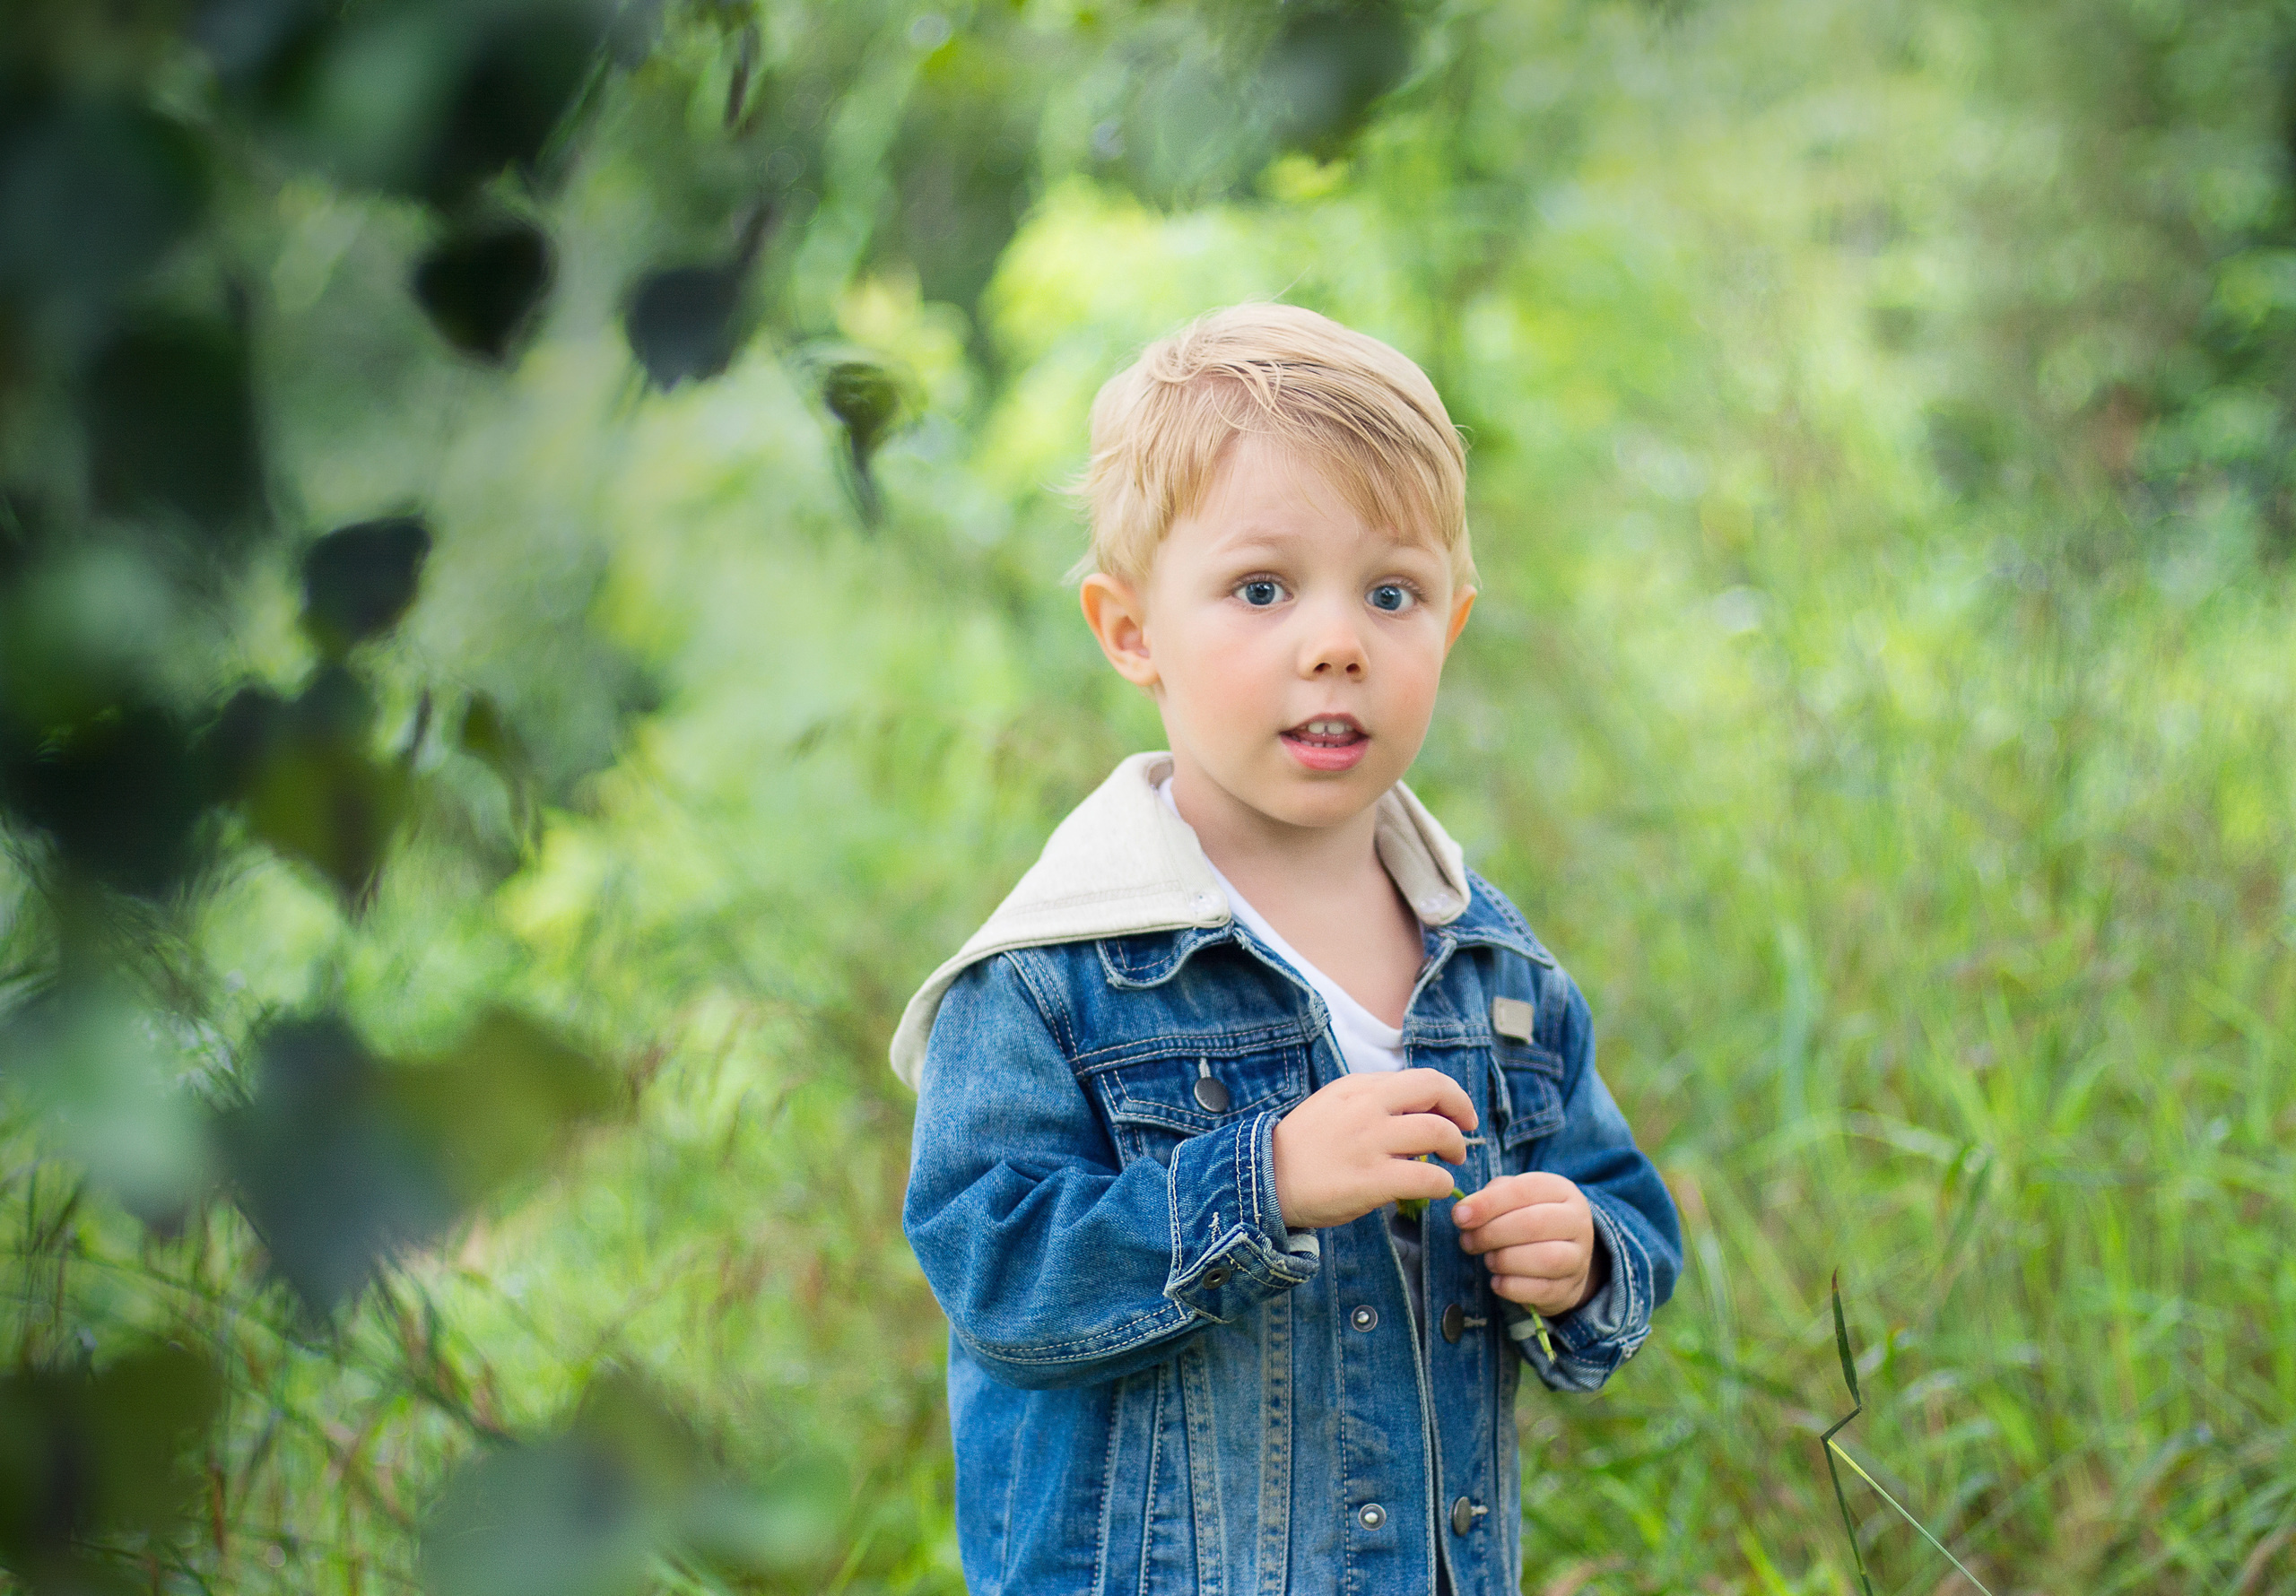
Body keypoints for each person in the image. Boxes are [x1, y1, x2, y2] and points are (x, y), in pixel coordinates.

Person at [895, 303, 1681, 1596]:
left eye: (1392, 593)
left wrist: (1585, 1252)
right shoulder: (1055, 975)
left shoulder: (1497, 977)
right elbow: (996, 1270)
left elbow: (1622, 1201)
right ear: (1131, 629)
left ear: (1453, 626)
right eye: (1262, 590)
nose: (1337, 642)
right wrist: (1253, 1183)